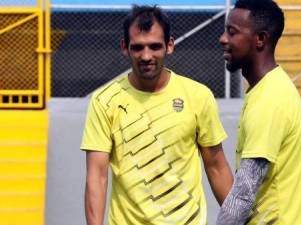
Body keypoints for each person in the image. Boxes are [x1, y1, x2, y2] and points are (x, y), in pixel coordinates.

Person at [81, 5, 233, 225]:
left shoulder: (198, 96)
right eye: (137, 47)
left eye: (154, 46)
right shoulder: (104, 101)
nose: (146, 56)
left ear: (169, 46)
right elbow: (97, 177)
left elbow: (217, 167)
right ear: (125, 47)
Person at [216, 0, 301, 224]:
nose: (223, 39)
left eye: (232, 32)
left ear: (260, 39)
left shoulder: (269, 100)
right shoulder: (270, 88)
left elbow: (242, 196)